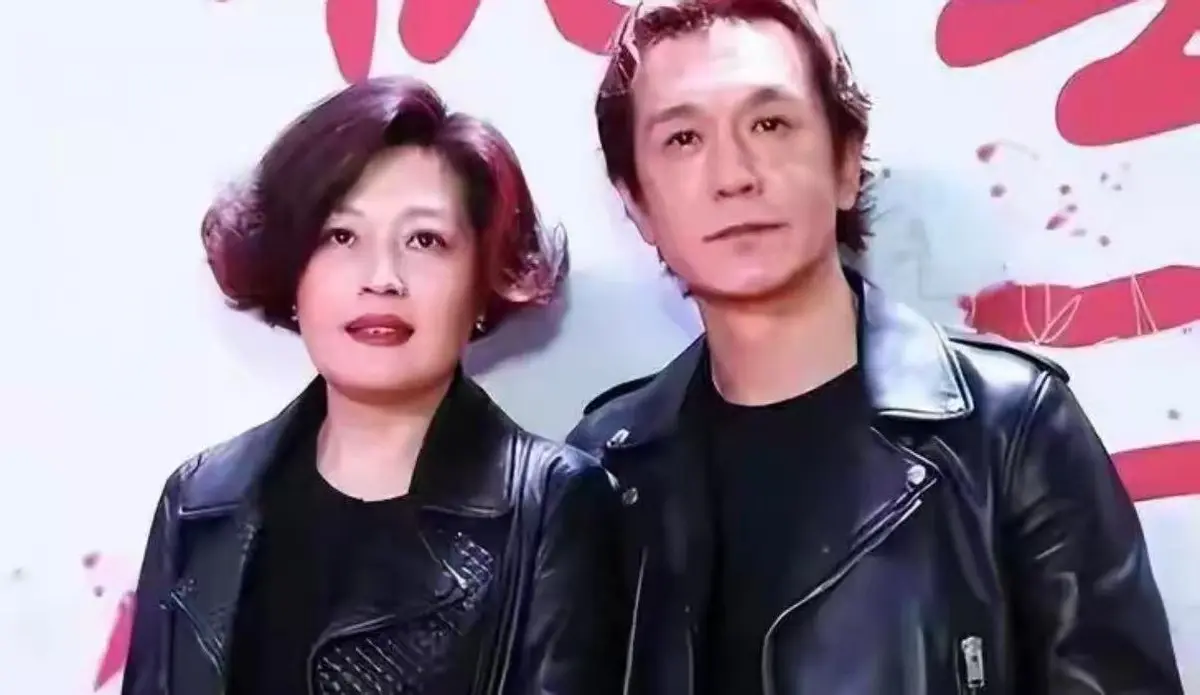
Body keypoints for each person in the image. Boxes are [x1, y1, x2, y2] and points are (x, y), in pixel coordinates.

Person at [567, 1, 1184, 694]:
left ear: (846, 162)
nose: (733, 174)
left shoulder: (1011, 429)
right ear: (637, 202)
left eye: (770, 124)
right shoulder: (604, 467)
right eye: (683, 138)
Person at [121, 76, 628, 695]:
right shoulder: (200, 501)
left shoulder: (554, 505)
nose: (382, 277)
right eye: (341, 237)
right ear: (293, 271)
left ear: (481, 281)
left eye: (424, 240)